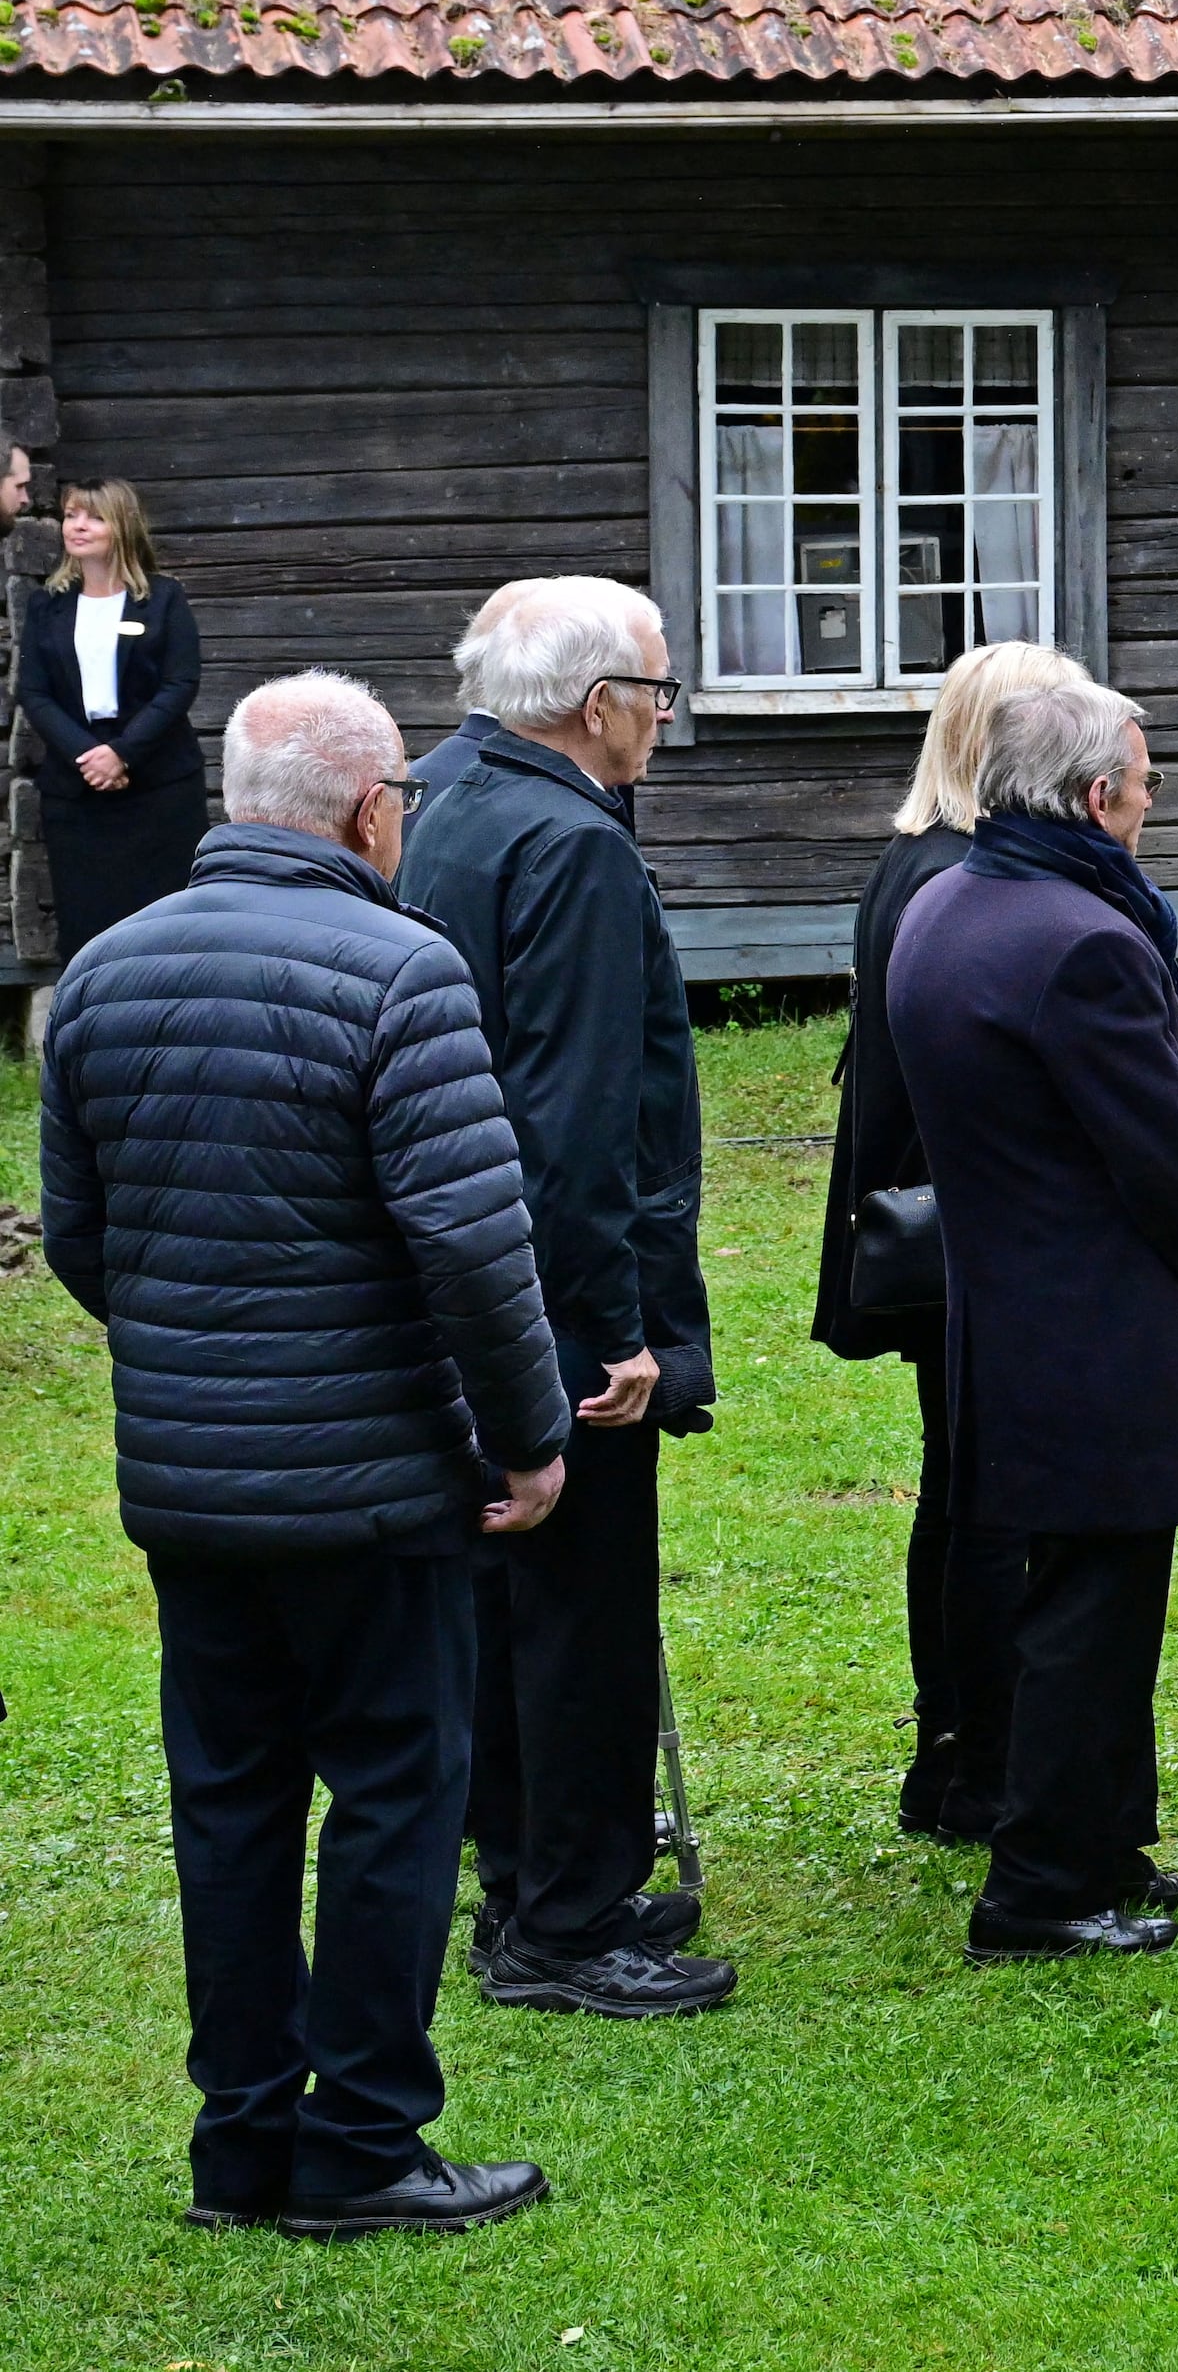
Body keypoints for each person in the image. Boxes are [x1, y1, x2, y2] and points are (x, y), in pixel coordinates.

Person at [44, 671, 574, 2236]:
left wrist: (200, 1357)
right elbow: (476, 1249)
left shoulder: (100, 972)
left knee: (229, 1800)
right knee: (400, 1795)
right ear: (368, 809)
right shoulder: (405, 972)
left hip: (194, 1483)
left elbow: (85, 1236)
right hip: (375, 1484)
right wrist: (532, 1439)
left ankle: (242, 2144)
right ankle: (360, 2146)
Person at [393, 577, 727, 2020]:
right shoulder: (574, 841)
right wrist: (615, 1329)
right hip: (549, 1293)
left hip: (450, 1271)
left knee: (505, 1594)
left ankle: (524, 1876)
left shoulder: (439, 788)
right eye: (658, 694)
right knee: (582, 1604)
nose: (663, 722)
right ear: (596, 706)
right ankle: (571, 1922)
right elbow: (580, 1115)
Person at [884, 673, 1178, 1961]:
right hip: (1092, 1327)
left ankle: (1102, 1847)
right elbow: (1164, 1156)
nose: (1150, 805)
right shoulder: (1084, 940)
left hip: (1001, 1312)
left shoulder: (942, 906)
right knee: (1093, 1611)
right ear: (1096, 799)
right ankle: (1039, 1890)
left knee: (1076, 1598)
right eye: (1143, 785)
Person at [812, 638, 1081, 1847]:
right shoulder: (954, 873)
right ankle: (978, 1764)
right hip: (966, 1235)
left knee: (966, 1495)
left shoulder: (915, 859)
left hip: (939, 1227)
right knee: (990, 1509)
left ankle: (954, 1752)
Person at [22, 475, 209, 959]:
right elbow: (35, 692)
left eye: (93, 516)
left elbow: (180, 684)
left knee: (167, 925)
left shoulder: (164, 599)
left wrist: (123, 753)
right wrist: (90, 755)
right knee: (89, 925)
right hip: (78, 785)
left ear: (121, 526)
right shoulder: (47, 604)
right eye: (70, 515)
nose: (77, 526)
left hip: (157, 784)